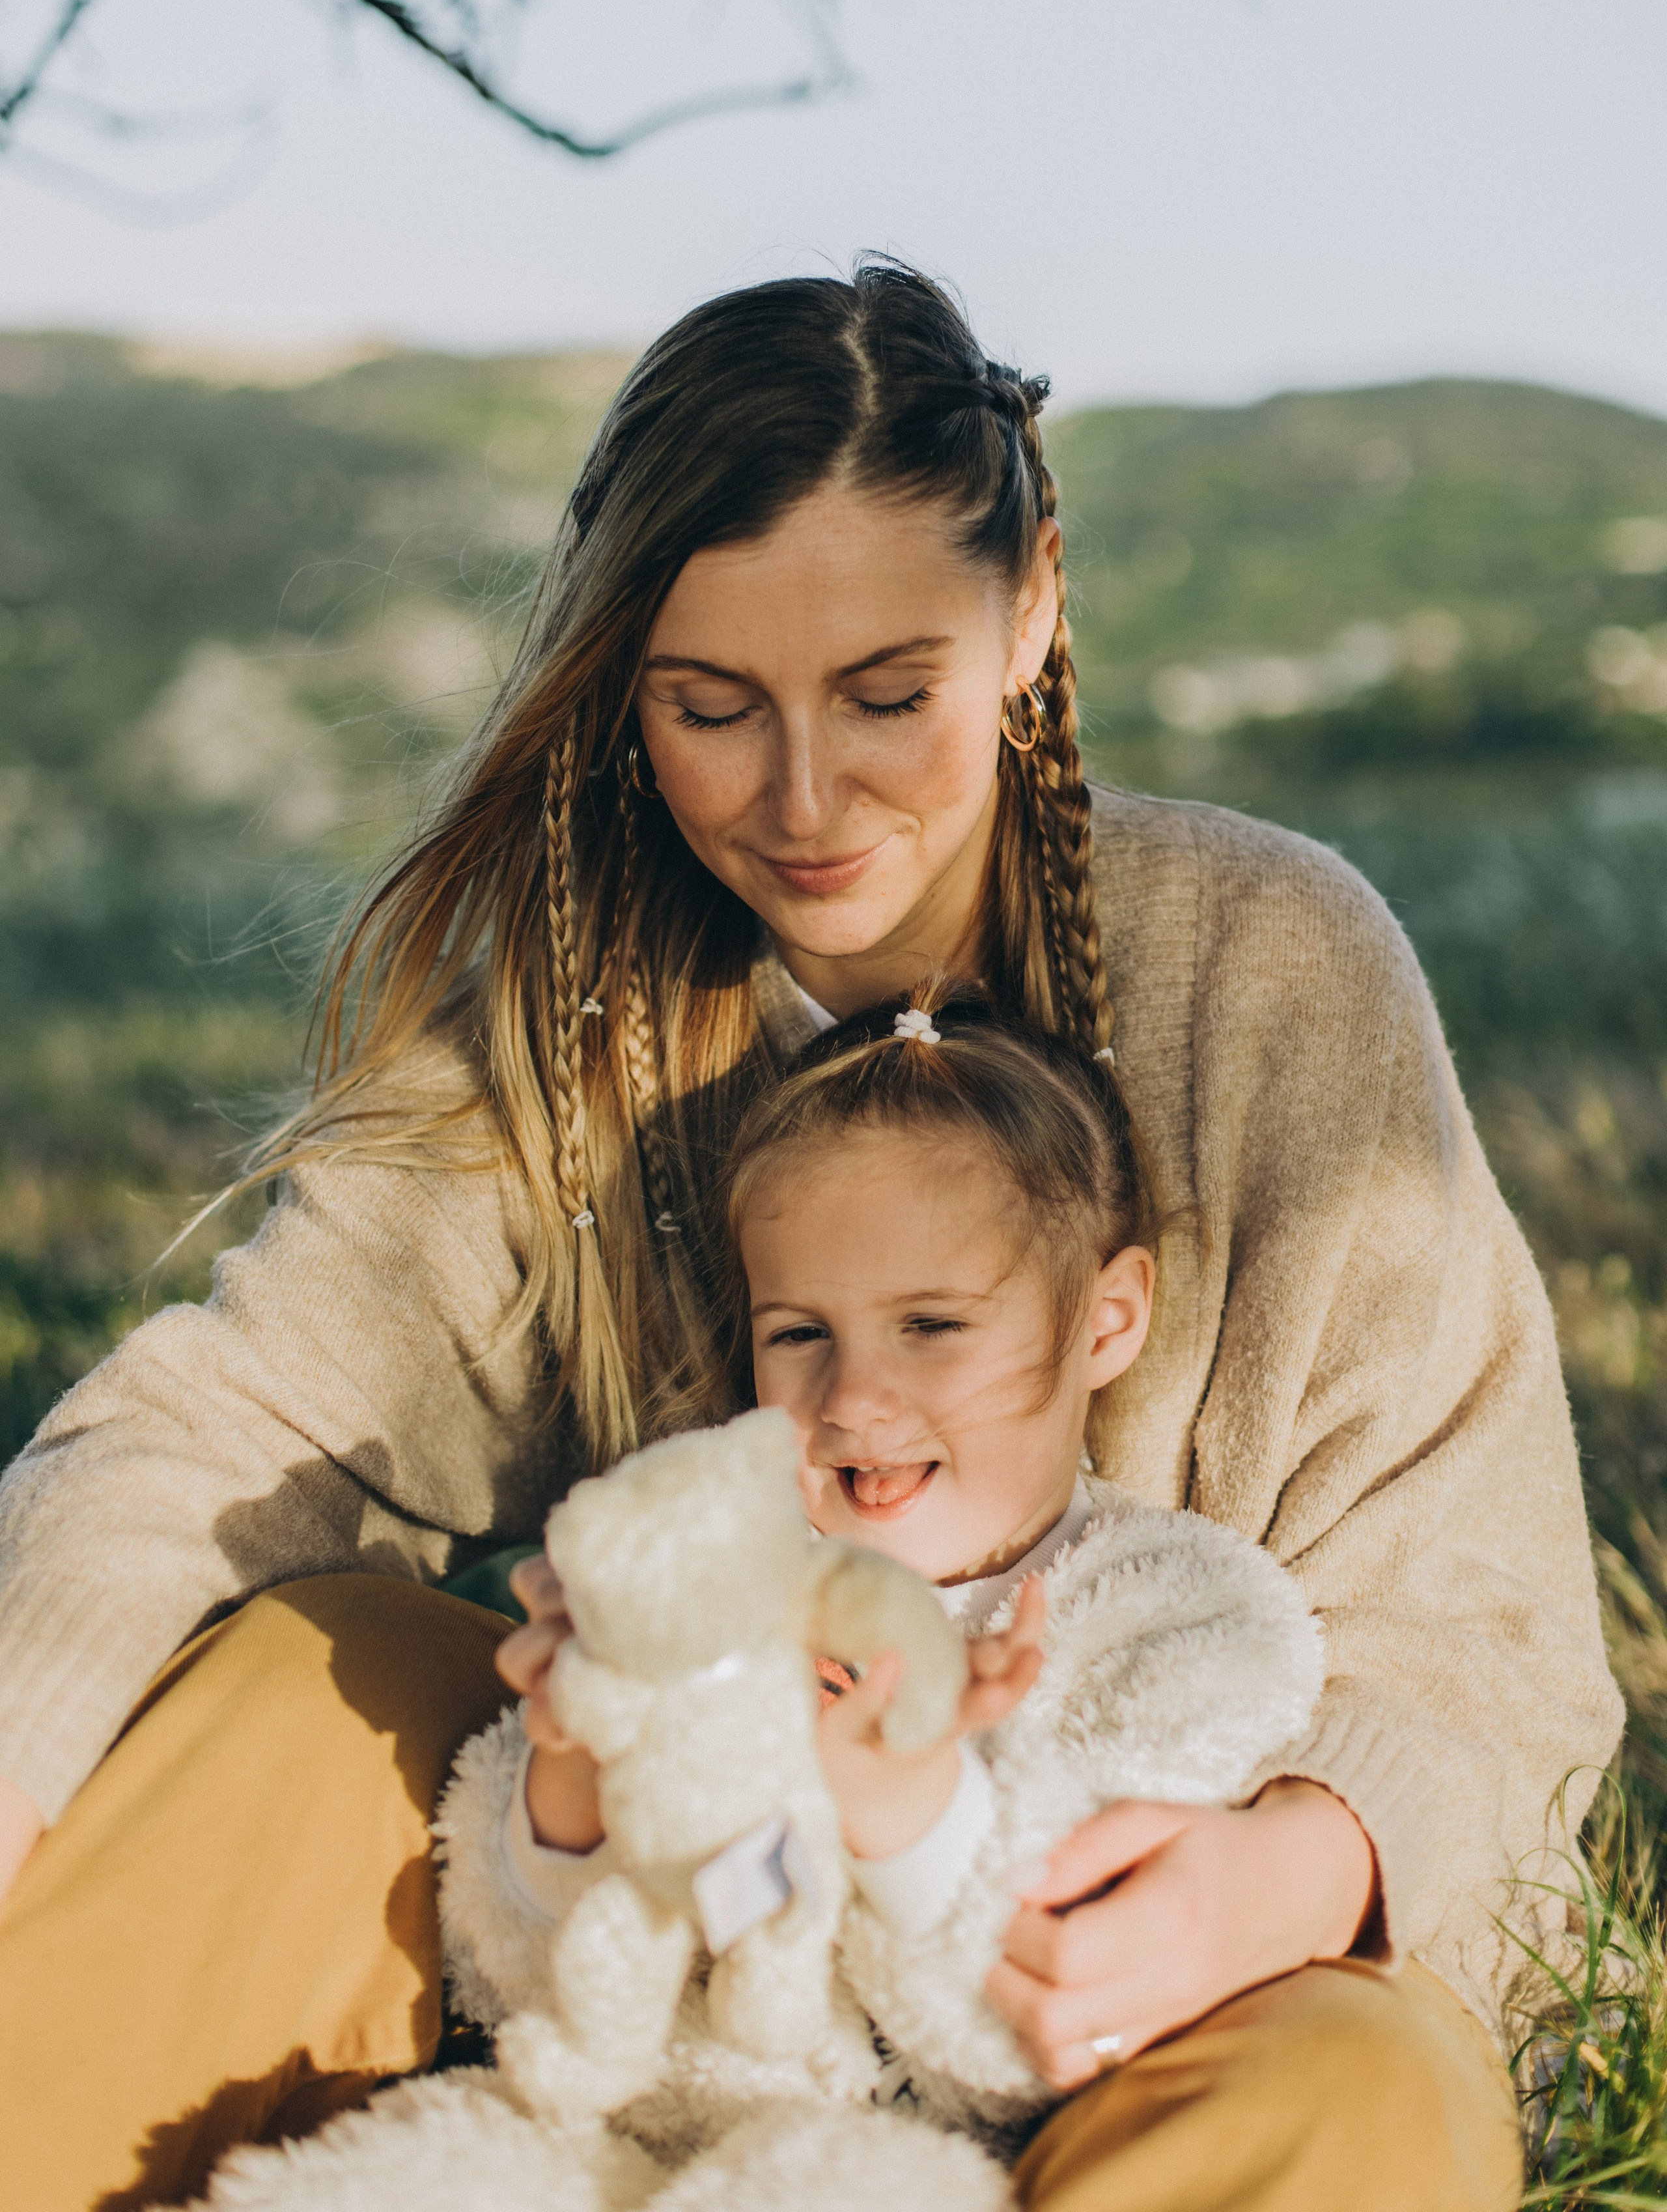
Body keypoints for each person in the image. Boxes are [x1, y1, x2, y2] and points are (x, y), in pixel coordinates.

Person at [0, 261, 1618, 2212]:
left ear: (1031, 612)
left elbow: (1485, 1623)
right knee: (312, 1670)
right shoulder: (563, 1023)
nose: (802, 798)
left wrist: (1300, 1865)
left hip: (1162, 1985)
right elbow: (222, 1438)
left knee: (1362, 2095)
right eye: (707, 708)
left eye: (886, 696)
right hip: (683, 2001)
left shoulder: (1273, 969)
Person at [192, 994, 1332, 2211]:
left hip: (905, 2159)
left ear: (1106, 1320)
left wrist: (899, 1797)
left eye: (932, 1325)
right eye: (799, 1334)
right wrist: (571, 1779)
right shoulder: (726, 1573)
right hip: (612, 2126)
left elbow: (1056, 2034)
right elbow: (511, 1971)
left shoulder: (1178, 1621)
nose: (854, 1397)